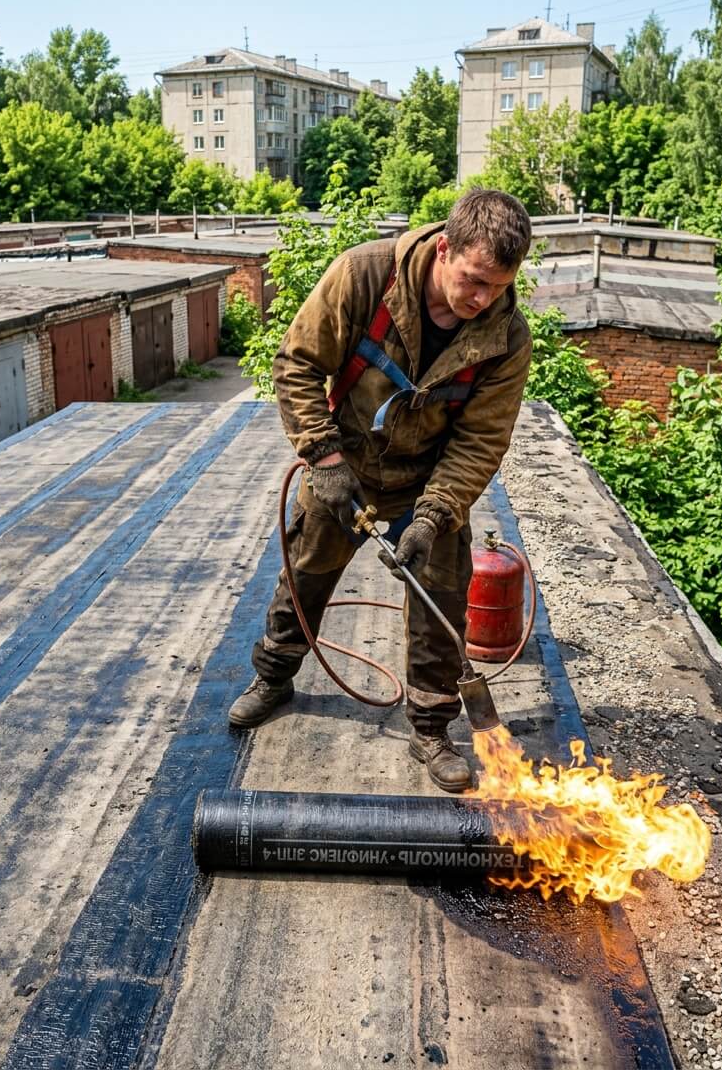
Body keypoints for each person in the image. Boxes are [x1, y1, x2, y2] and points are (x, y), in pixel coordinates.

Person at [228, 188, 533, 792]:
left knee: (443, 594)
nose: (482, 299)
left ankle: (430, 725)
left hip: (427, 479)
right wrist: (324, 456)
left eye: (497, 287)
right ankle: (274, 675)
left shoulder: (507, 337)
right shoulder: (364, 276)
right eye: (473, 281)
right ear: (445, 248)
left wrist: (434, 515)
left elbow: (480, 441)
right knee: (306, 572)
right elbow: (296, 363)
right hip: (344, 462)